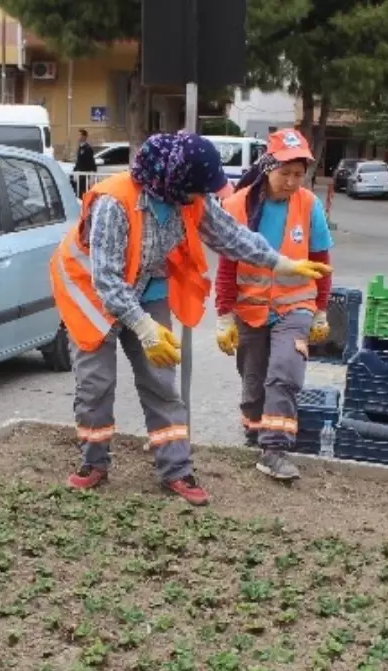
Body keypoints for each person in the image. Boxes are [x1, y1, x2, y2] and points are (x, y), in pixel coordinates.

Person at [50, 131, 331, 506]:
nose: (205, 197)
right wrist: (144, 328)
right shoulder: (114, 203)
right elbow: (106, 279)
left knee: (162, 381)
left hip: (148, 289)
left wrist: (281, 262)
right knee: (96, 383)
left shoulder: (190, 198)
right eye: (200, 188)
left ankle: (175, 469)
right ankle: (94, 462)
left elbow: (231, 236)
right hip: (91, 294)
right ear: (174, 181)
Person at [213, 128, 335, 481]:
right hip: (250, 310)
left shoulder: (309, 205)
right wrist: (224, 317)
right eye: (286, 174)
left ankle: (275, 449)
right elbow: (227, 267)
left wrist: (321, 310)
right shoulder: (238, 205)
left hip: (295, 307)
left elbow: (321, 261)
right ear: (268, 168)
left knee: (284, 372)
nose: (293, 182)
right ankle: (255, 435)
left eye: (299, 174)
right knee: (253, 380)